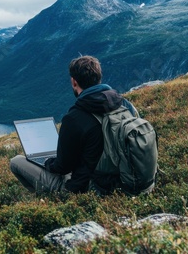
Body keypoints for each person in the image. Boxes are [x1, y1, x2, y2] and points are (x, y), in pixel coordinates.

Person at [10, 55, 137, 194]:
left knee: (16, 161)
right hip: (128, 180)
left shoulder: (75, 117)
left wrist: (47, 162)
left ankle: (47, 201)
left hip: (88, 188)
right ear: (99, 78)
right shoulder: (124, 105)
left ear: (74, 82)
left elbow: (62, 167)